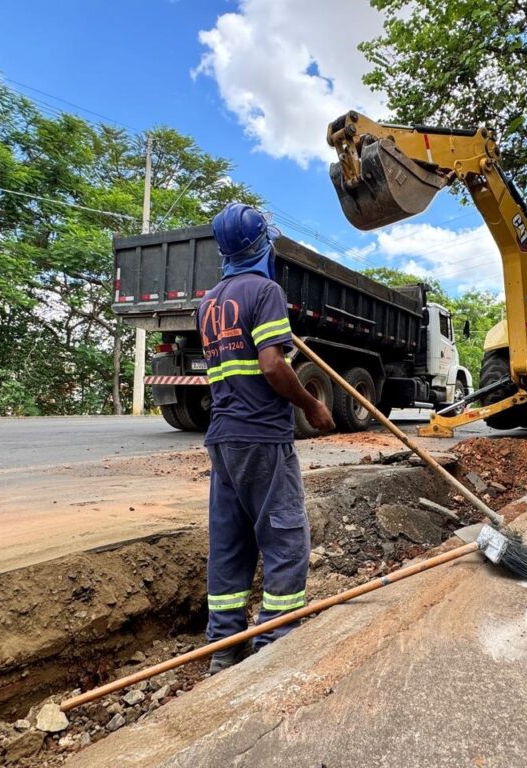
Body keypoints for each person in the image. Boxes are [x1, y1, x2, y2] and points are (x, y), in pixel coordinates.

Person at [196, 203, 335, 675]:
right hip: (262, 435)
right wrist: (312, 405)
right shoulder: (266, 291)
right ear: (262, 244)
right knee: (285, 536)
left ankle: (224, 650)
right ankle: (275, 643)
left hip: (223, 437)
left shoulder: (209, 302)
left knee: (230, 543)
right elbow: (272, 365)